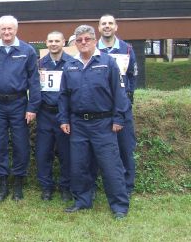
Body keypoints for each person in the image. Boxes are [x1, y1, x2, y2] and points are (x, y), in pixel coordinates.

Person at [58, 24, 129, 220]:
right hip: (78, 124)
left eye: (87, 39)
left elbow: (119, 94)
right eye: (79, 40)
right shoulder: (70, 65)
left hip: (104, 124)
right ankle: (82, 201)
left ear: (94, 40)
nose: (83, 43)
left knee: (110, 165)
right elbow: (63, 96)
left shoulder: (107, 62)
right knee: (79, 165)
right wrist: (64, 118)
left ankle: (119, 206)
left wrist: (118, 118)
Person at [0, 15, 41, 202]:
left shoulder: (27, 50)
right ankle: (2, 182)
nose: (7, 32)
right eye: (3, 29)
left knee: (20, 144)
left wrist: (32, 106)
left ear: (16, 29)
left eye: (10, 29)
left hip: (19, 104)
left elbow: (34, 81)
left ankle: (18, 182)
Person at [97, 14, 138, 197]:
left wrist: (127, 100)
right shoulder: (91, 49)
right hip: (99, 108)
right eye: (103, 23)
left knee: (125, 146)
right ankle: (98, 185)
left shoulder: (127, 49)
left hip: (121, 108)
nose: (107, 26)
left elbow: (132, 76)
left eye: (110, 23)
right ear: (98, 28)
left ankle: (127, 186)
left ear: (116, 27)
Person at [36, 31, 72, 202]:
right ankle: (46, 187)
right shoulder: (40, 63)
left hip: (64, 114)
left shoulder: (72, 63)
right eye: (50, 41)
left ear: (63, 42)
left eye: (57, 41)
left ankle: (66, 187)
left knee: (66, 153)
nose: (54, 44)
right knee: (44, 152)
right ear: (46, 43)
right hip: (45, 113)